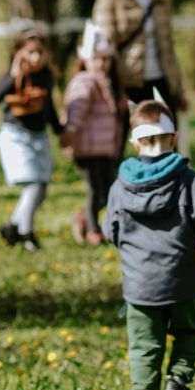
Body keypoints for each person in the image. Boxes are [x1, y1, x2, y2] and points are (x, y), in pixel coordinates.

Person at [105, 100, 195, 390]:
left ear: (135, 142)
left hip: (140, 282)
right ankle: (178, 383)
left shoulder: (120, 184)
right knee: (189, 331)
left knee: (144, 345)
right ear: (173, 138)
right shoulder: (187, 178)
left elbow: (111, 230)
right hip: (182, 276)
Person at [91, 0, 187, 114]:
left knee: (165, 141)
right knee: (122, 142)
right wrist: (111, 88)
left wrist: (178, 88)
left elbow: (168, 45)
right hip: (126, 84)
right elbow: (103, 44)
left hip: (161, 81)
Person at [0, 27, 61, 251]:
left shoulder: (46, 76)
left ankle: (12, 225)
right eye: (30, 52)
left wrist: (60, 130)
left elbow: (48, 108)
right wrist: (13, 73)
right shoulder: (13, 76)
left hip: (39, 135)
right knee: (33, 185)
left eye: (40, 52)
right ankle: (27, 234)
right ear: (19, 52)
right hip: (16, 135)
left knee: (42, 188)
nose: (36, 57)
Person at [61, 23, 125, 245]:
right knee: (95, 189)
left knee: (107, 189)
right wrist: (70, 133)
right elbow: (76, 112)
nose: (103, 64)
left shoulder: (108, 84)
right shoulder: (84, 82)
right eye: (98, 59)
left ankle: (85, 219)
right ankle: (93, 229)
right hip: (86, 148)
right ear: (86, 59)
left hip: (104, 147)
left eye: (106, 59)